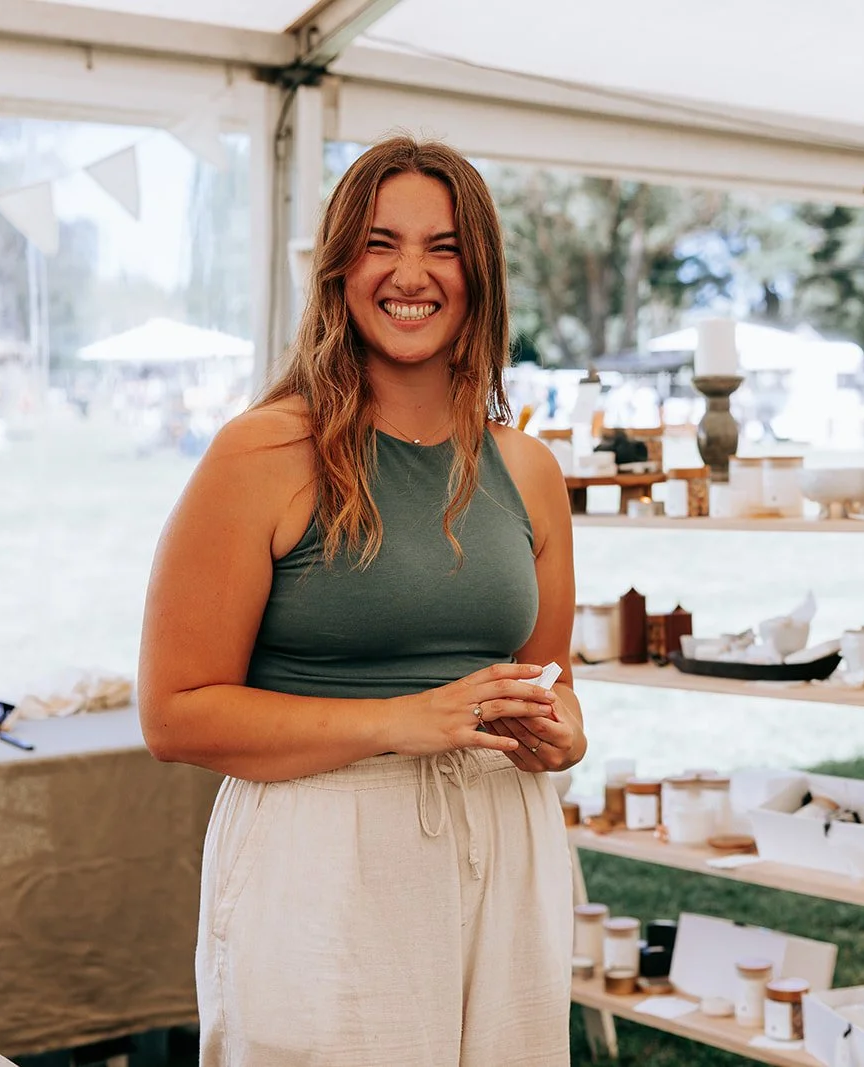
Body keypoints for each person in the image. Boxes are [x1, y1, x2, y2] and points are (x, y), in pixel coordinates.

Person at [138, 135, 584, 1066]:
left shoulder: (530, 471)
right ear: (341, 267)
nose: (410, 273)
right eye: (381, 243)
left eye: (445, 247)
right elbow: (176, 713)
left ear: (481, 274)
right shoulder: (259, 455)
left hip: (507, 843)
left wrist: (564, 733)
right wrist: (399, 721)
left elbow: (552, 679)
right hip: (325, 857)